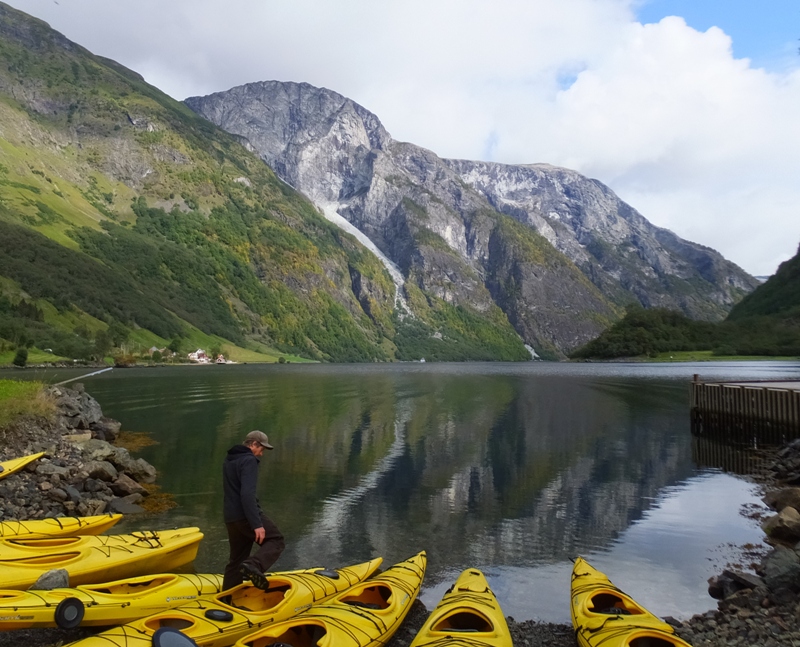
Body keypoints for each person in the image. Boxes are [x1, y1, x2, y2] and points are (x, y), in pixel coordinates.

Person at [222, 429, 285, 591]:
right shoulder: (248, 460)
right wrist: (256, 523)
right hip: (245, 515)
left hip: (231, 517)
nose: (261, 454)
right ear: (254, 444)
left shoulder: (229, 460)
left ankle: (227, 600)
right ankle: (253, 565)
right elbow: (247, 494)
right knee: (276, 540)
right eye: (261, 449)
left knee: (236, 560)